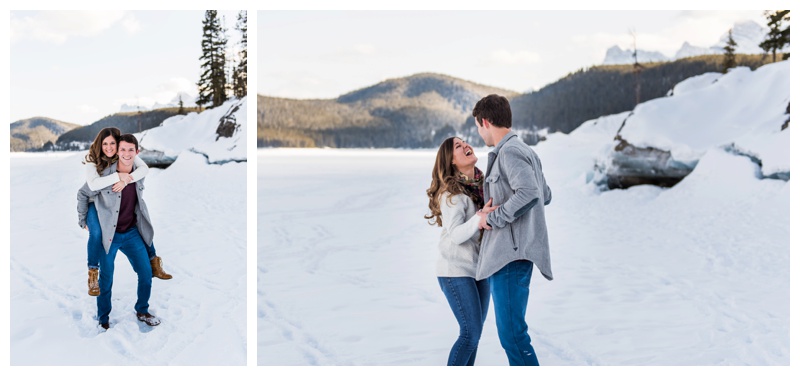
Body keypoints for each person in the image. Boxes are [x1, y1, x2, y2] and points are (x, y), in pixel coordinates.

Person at [472, 94, 552, 366]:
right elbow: (546, 195)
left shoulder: (510, 151)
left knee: (512, 334)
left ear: (485, 121)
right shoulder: (525, 150)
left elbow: (530, 193)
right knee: (512, 333)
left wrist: (496, 217)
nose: (480, 133)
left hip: (511, 256)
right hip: (512, 255)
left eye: (478, 127)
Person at [425, 136, 498, 366]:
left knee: (474, 337)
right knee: (470, 333)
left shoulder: (481, 186)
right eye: (458, 146)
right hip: (454, 270)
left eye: (465, 142)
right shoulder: (452, 194)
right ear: (452, 161)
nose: (466, 145)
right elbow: (456, 234)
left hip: (479, 270)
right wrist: (479, 218)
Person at [78, 134, 161, 329]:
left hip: (131, 232)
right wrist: (83, 219)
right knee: (106, 280)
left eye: (130, 150)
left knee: (146, 273)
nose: (126, 153)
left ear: (136, 152)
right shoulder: (103, 177)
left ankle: (142, 310)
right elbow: (83, 193)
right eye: (122, 149)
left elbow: (143, 172)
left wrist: (127, 179)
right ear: (116, 151)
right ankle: (103, 319)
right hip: (110, 236)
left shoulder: (138, 173)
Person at [82, 128, 172, 297]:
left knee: (142, 222)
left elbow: (144, 169)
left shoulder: (123, 155)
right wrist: (118, 177)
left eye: (113, 144)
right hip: (94, 203)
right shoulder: (92, 161)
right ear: (99, 145)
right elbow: (91, 187)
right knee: (96, 233)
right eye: (105, 144)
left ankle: (153, 261)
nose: (109, 147)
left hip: (114, 206)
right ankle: (92, 272)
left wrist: (127, 179)